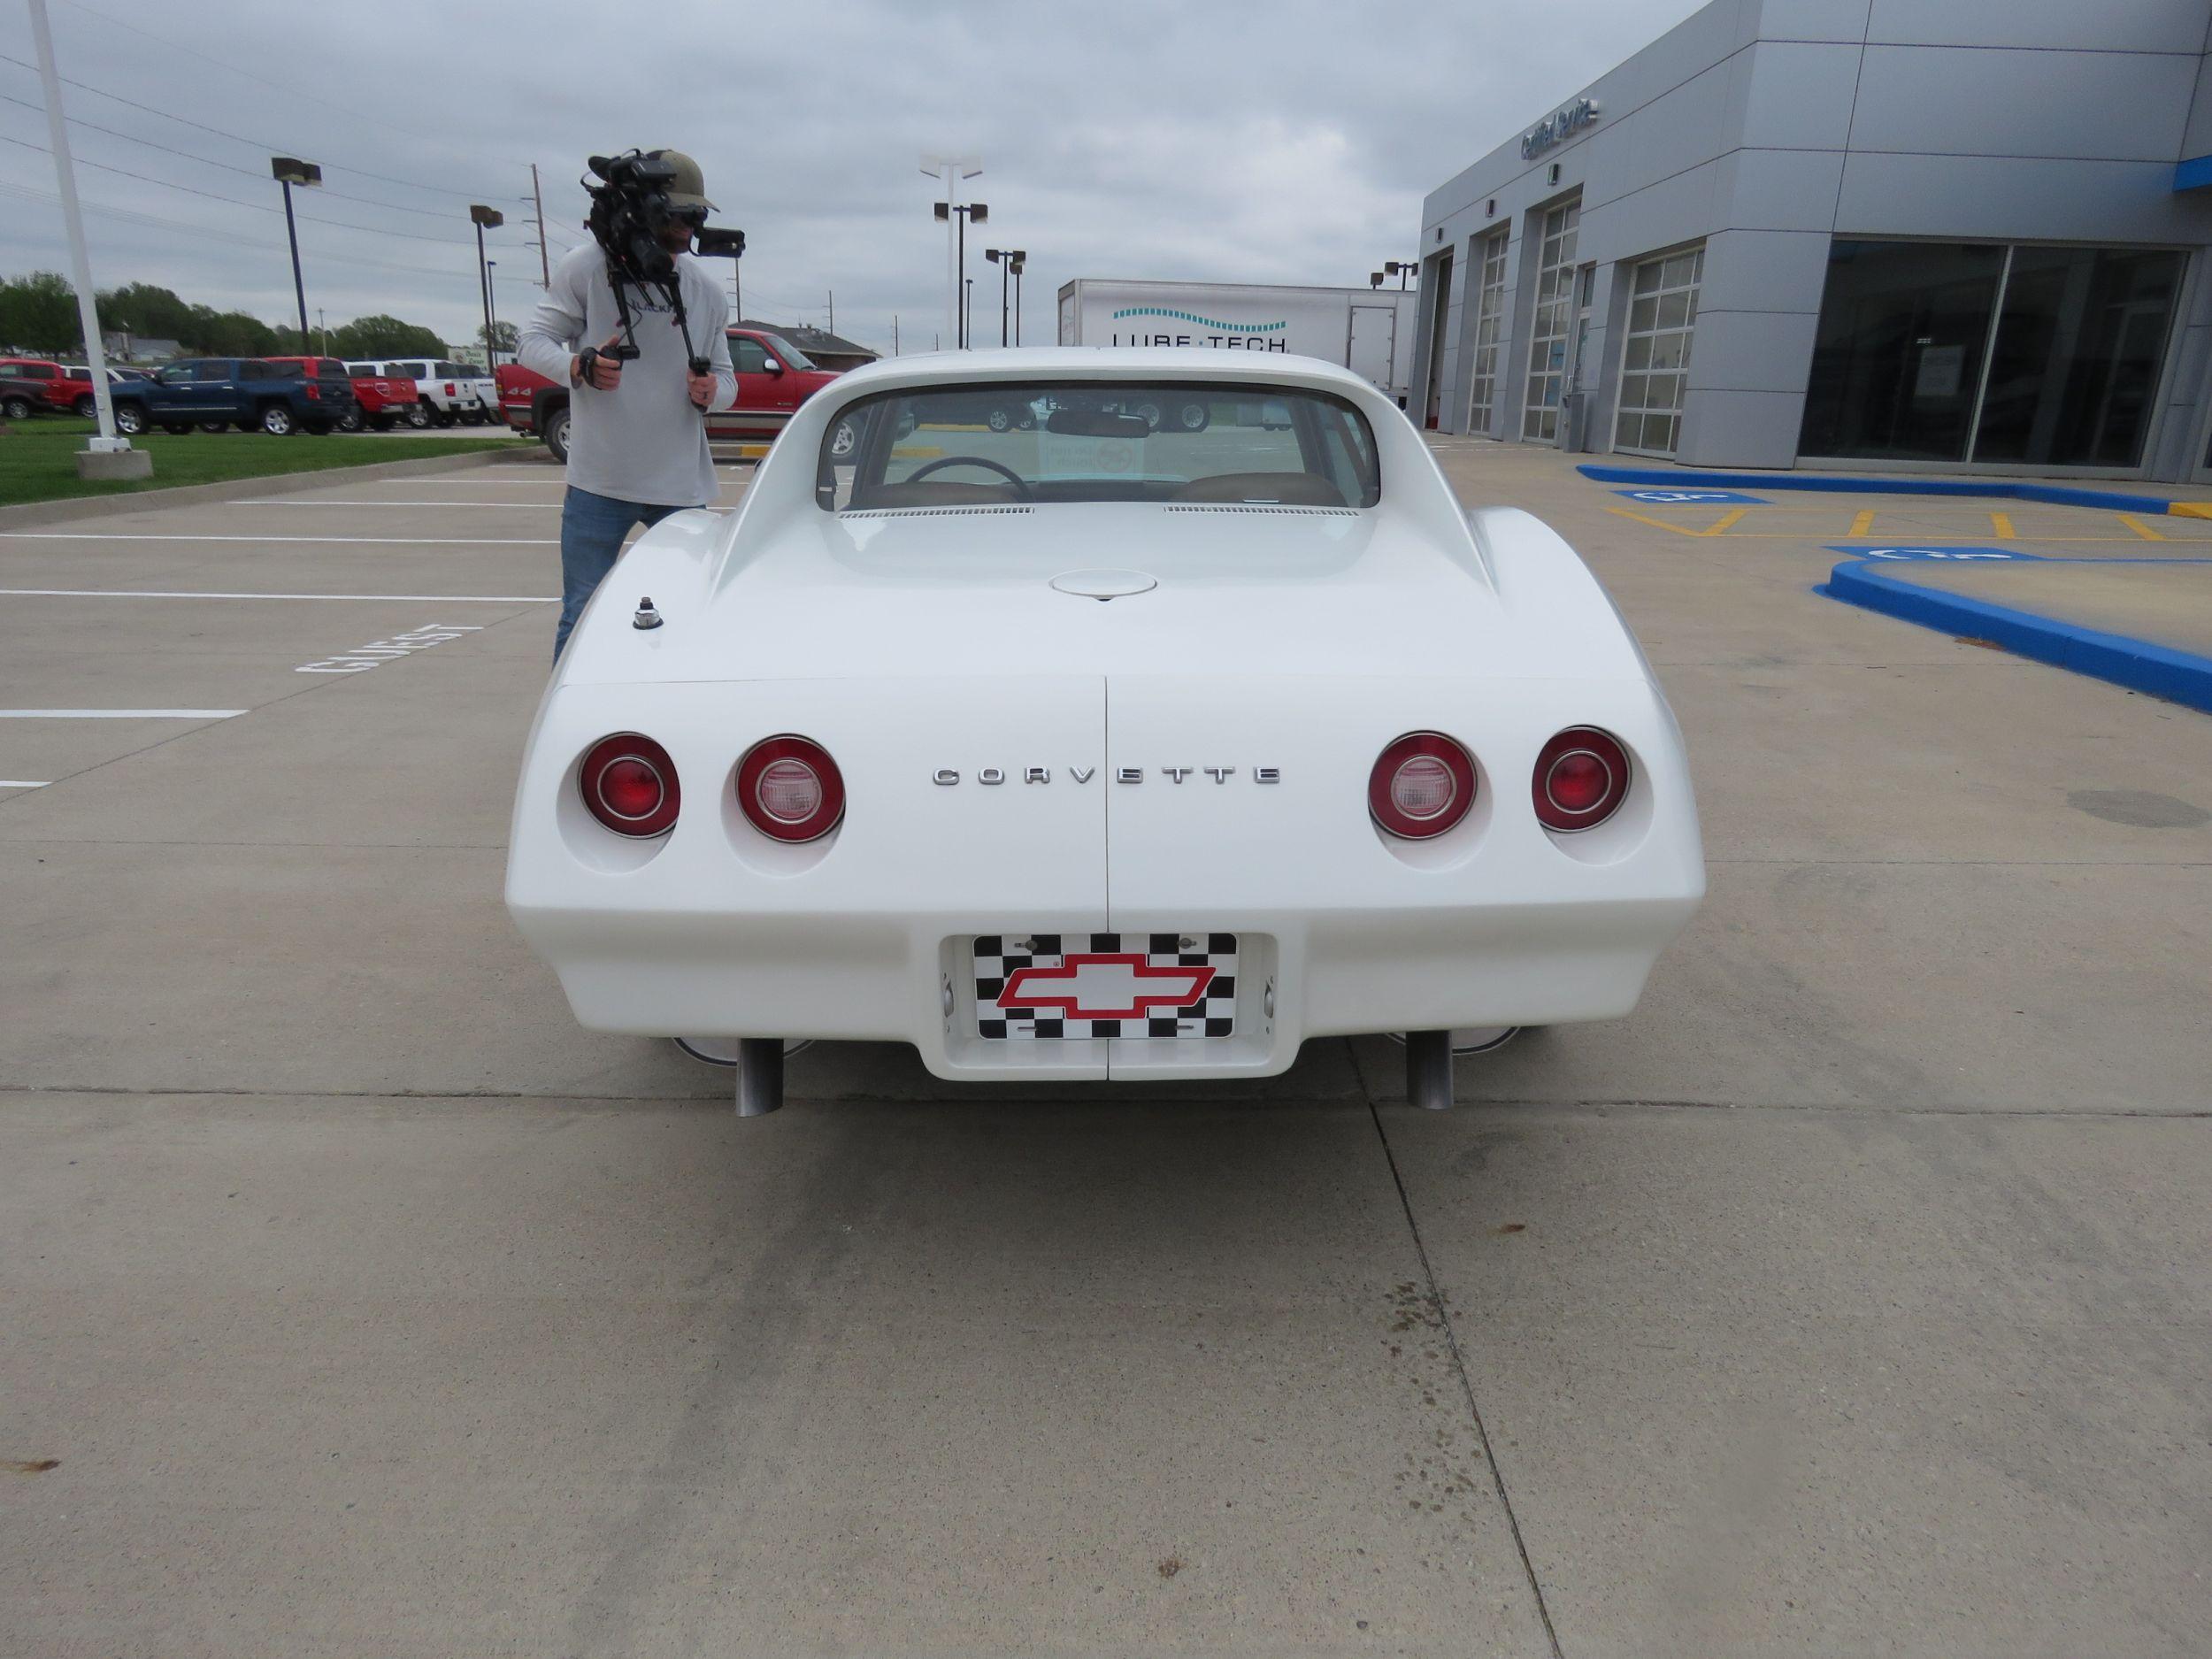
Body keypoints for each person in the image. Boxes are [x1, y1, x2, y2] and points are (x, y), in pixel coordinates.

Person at [518, 150, 738, 659]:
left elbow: (726, 380)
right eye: (679, 216)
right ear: (645, 210)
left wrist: (712, 394)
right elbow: (532, 341)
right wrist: (579, 366)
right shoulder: (586, 269)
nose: (688, 230)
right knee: (582, 612)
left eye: (696, 217)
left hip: (679, 485)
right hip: (600, 482)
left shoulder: (705, 291)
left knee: (686, 608)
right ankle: (567, 726)